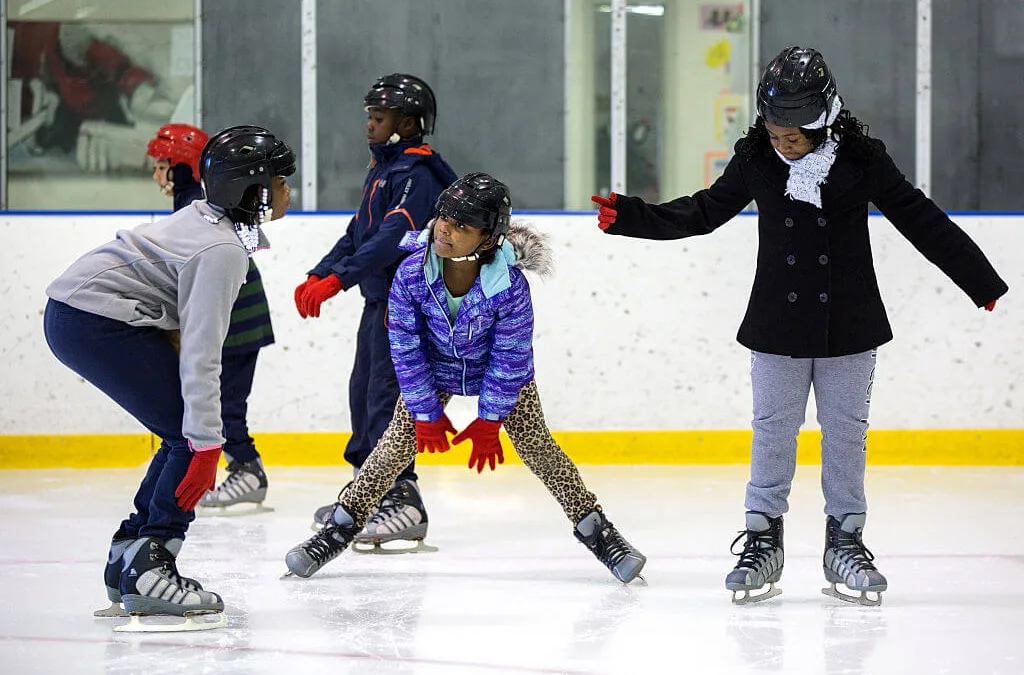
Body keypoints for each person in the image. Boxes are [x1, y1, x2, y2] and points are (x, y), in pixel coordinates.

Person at [591, 46, 1008, 606]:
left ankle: (847, 541)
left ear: (825, 119)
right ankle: (763, 539)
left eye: (796, 133)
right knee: (773, 434)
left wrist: (979, 280)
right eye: (775, 128)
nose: (783, 140)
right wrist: (632, 216)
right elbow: (704, 210)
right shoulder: (756, 160)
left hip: (850, 324)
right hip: (778, 325)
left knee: (844, 438)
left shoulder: (862, 160)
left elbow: (917, 216)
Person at [285, 172, 647, 583]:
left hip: (500, 374)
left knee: (540, 449)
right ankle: (337, 530)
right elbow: (404, 348)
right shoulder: (410, 275)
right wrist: (425, 412)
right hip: (435, 370)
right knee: (390, 449)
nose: (445, 229)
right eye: (444, 218)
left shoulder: (510, 286)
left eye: (461, 226)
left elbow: (510, 356)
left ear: (488, 240)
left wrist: (491, 420)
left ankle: (599, 533)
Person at [44, 125, 295, 630]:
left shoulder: (209, 222)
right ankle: (151, 560)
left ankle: (130, 553)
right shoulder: (220, 249)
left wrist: (197, 437)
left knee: (177, 430)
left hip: (80, 314)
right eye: (280, 181)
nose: (288, 191)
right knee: (187, 432)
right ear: (252, 191)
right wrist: (207, 446)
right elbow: (201, 355)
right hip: (94, 319)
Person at [294, 74, 457, 549]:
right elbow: (357, 232)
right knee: (363, 393)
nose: (369, 124)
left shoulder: (418, 175)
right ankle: (365, 494)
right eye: (369, 115)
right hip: (377, 304)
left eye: (378, 117)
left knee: (387, 399)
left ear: (407, 123)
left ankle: (403, 502)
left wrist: (339, 279)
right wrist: (321, 271)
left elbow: (390, 238)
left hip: (406, 307)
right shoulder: (385, 170)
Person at [147, 123, 277, 511]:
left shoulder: (194, 206)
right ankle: (243, 467)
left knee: (225, 404)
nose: (155, 174)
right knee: (221, 402)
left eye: (161, 164)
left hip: (237, 321)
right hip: (234, 318)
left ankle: (248, 470)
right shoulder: (202, 201)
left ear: (182, 165)